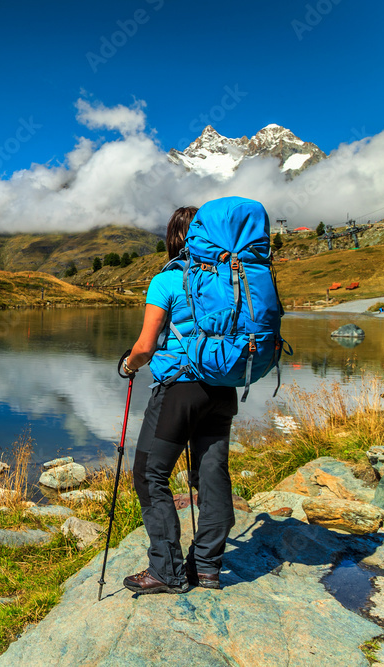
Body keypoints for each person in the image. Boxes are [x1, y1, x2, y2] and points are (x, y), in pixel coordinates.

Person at [120, 206, 237, 594]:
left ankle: (166, 571)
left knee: (149, 474)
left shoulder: (167, 280)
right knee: (211, 475)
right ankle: (206, 569)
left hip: (179, 391)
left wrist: (127, 365)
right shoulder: (230, 278)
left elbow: (145, 347)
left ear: (173, 239)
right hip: (223, 390)